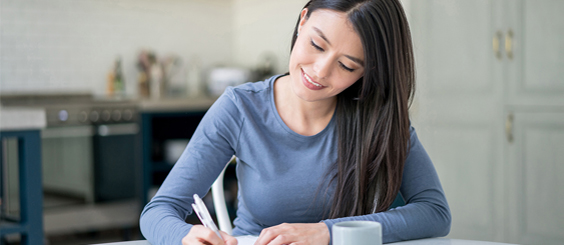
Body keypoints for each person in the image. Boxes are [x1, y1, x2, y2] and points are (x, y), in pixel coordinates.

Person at [139, 0, 451, 244]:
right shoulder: (240, 108)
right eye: (317, 45)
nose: (320, 71)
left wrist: (327, 233)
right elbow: (158, 211)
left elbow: (434, 212)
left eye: (346, 65)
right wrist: (183, 237)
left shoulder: (377, 116)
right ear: (302, 22)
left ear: (367, 72)